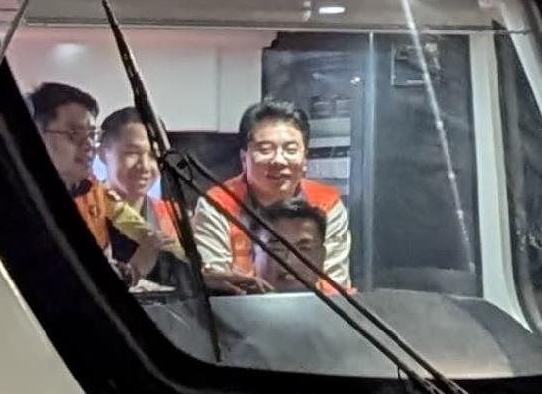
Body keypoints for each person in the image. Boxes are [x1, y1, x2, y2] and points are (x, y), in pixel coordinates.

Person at [192, 100, 352, 295]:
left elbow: (333, 285)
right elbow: (217, 282)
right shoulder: (218, 204)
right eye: (265, 149)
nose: (278, 160)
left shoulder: (327, 204)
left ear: (305, 159)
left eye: (291, 150)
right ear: (244, 158)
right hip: (239, 313)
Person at [27, 79, 118, 257]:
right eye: (75, 133)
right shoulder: (24, 197)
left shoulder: (94, 191)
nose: (89, 145)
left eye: (92, 135)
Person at [95, 109, 182, 287]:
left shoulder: (174, 216)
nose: (144, 166)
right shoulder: (87, 210)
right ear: (103, 153)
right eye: (132, 153)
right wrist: (136, 266)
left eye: (153, 155)